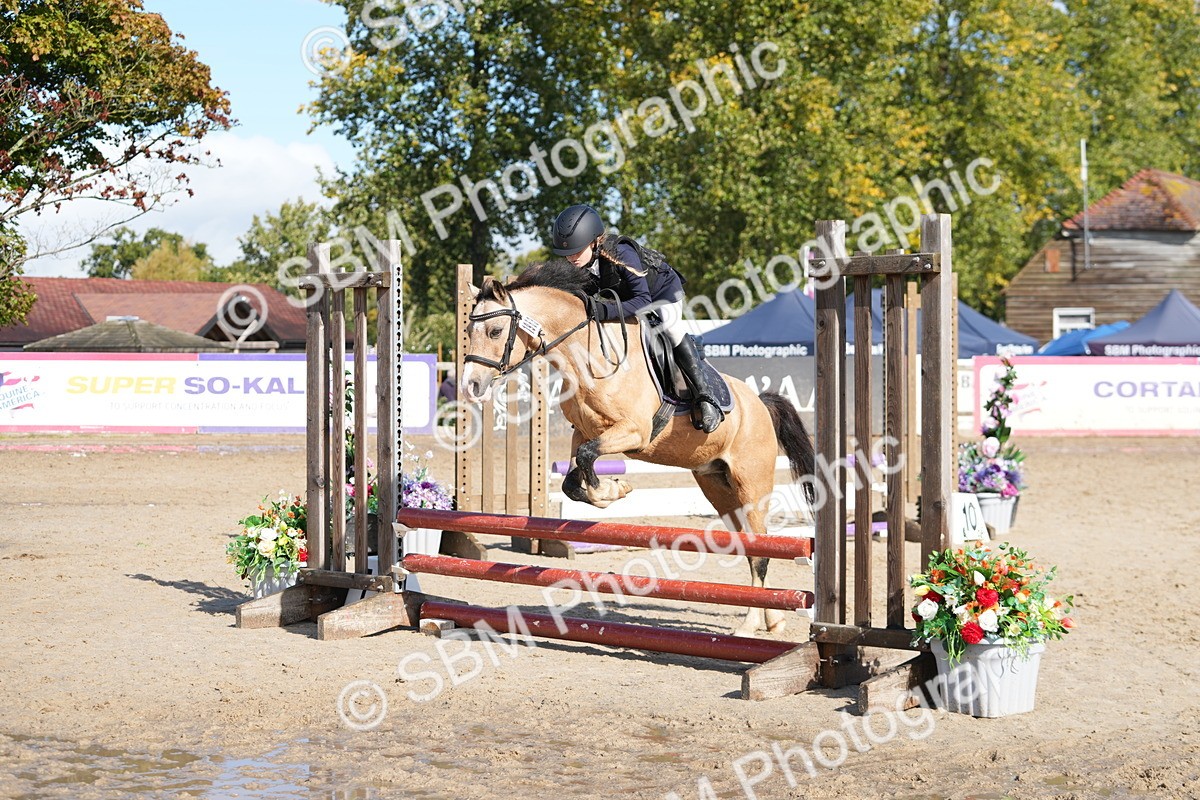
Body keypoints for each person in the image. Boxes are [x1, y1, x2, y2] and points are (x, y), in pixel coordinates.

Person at [550, 204, 723, 433]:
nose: (571, 257)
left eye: (576, 250)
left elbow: (642, 300)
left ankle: (705, 397)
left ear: (594, 242)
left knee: (670, 329)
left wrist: (603, 311)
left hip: (660, 293)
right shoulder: (581, 263)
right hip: (627, 297)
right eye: (567, 253)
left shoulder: (620, 253)